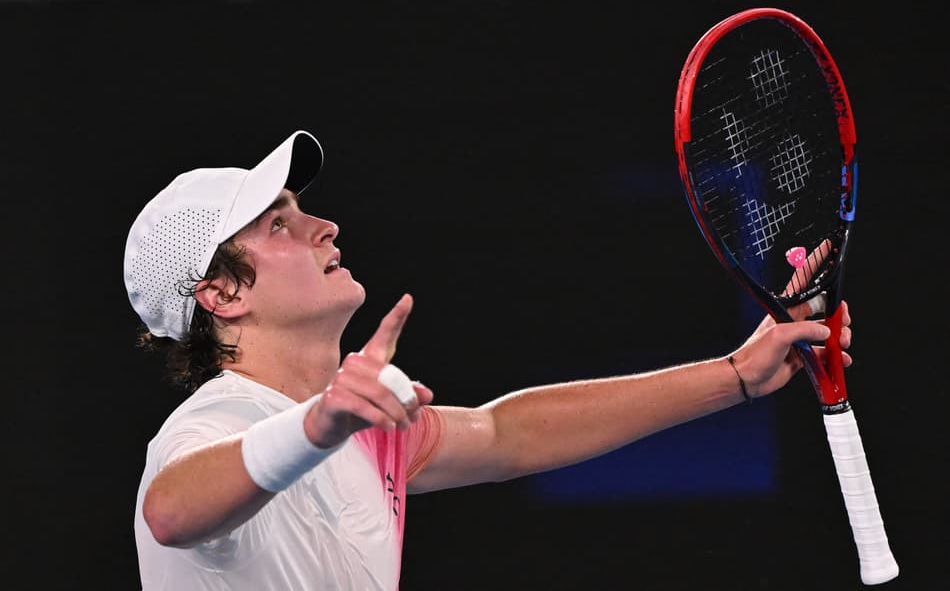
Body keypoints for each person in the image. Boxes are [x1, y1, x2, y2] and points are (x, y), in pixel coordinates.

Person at [125, 130, 851, 591]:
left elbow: (509, 433)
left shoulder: (363, 430)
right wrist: (317, 425)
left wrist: (737, 375)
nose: (325, 225)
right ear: (219, 293)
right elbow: (170, 509)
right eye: (279, 224)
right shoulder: (219, 421)